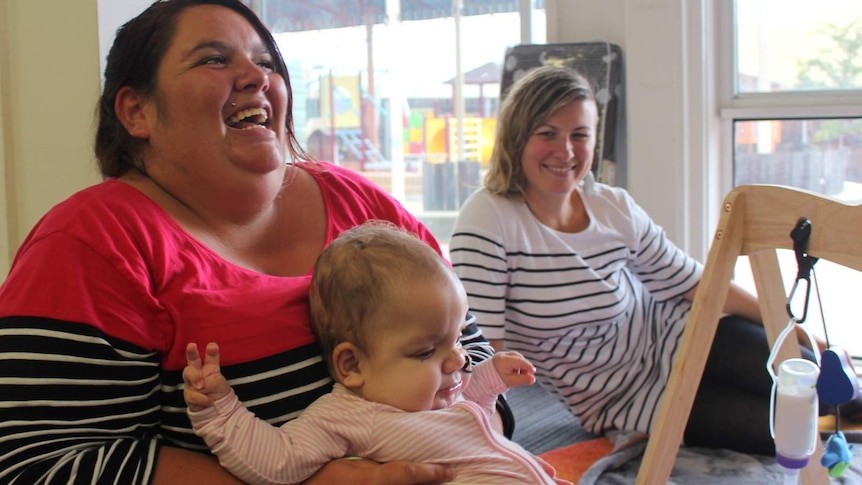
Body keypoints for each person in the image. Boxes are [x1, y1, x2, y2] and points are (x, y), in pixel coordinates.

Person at [0, 1, 500, 483]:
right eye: (214, 59)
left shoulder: (364, 205)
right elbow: (37, 462)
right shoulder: (93, 243)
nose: (258, 76)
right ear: (136, 112)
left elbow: (472, 360)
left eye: (266, 62)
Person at [448, 65, 862, 456]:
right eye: (547, 133)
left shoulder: (613, 206)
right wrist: (492, 445)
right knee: (792, 430)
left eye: (580, 134)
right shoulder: (488, 219)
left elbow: (701, 285)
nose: (566, 150)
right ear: (516, 137)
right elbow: (485, 351)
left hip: (681, 333)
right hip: (625, 400)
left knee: (824, 382)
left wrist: (811, 338)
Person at [182, 222, 572, 485]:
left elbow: (473, 411)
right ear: (352, 366)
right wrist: (219, 411)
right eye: (425, 351)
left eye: (455, 340)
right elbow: (275, 459)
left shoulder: (434, 396)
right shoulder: (348, 417)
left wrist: (489, 379)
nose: (457, 360)